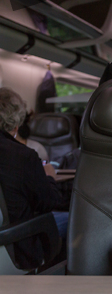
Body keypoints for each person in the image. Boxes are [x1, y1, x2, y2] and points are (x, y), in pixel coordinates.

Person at [0, 87, 66, 269]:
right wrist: (50, 177)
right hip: (16, 244)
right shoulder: (23, 156)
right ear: (15, 125)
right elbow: (49, 202)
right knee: (74, 219)